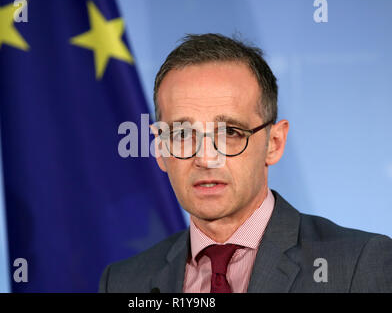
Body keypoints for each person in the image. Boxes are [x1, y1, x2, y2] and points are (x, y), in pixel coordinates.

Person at [99, 33, 392, 293]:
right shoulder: (123, 282)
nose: (206, 158)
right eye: (183, 134)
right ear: (161, 148)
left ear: (273, 144)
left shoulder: (358, 265)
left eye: (229, 132)